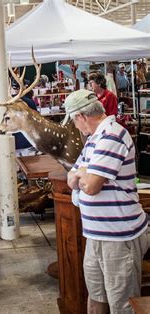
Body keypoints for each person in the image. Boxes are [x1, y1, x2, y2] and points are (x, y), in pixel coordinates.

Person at [65, 89, 148, 314]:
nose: (75, 126)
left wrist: (84, 174)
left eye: (73, 121)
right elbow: (71, 178)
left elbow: (91, 187)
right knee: (96, 297)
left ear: (81, 116)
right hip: (97, 233)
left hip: (118, 235)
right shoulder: (95, 139)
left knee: (123, 305)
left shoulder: (113, 135)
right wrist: (84, 173)